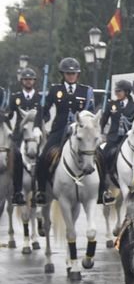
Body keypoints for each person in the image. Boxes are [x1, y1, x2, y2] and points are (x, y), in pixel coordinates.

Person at [34, 56, 96, 201]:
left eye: (74, 73)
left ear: (78, 74)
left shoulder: (85, 91)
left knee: (98, 156)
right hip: (59, 130)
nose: (71, 76)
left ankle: (103, 190)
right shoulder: (55, 90)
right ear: (63, 74)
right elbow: (43, 110)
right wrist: (37, 126)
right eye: (68, 73)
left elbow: (91, 113)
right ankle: (41, 191)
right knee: (43, 158)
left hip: (80, 131)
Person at [97, 79, 134, 204]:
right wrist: (100, 133)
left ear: (126, 92)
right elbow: (104, 120)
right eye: (116, 90)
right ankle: (103, 189)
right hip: (113, 138)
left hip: (127, 138)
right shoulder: (112, 105)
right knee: (102, 158)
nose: (116, 93)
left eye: (119, 90)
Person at [5, 65, 43, 204]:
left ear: (34, 81)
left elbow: (47, 116)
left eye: (31, 79)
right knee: (16, 157)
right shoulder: (16, 97)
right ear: (22, 81)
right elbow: (9, 115)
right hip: (20, 134)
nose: (28, 82)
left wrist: (40, 125)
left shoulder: (40, 98)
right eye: (26, 79)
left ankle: (42, 189)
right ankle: (17, 191)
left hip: (36, 133)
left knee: (44, 157)